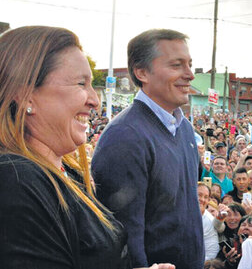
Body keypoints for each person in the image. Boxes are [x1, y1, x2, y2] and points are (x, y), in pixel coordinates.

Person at [0, 26, 173, 269]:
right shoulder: (16, 180)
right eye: (81, 83)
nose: (95, 100)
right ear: (27, 95)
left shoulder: (63, 174)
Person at [92, 29, 204, 268]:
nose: (190, 75)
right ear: (142, 72)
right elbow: (122, 234)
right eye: (176, 65)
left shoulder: (184, 129)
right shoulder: (125, 137)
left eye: (189, 64)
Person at [198, 183, 220, 260]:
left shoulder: (209, 220)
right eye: (199, 195)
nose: (202, 199)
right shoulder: (181, 213)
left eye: (206, 197)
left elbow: (212, 253)